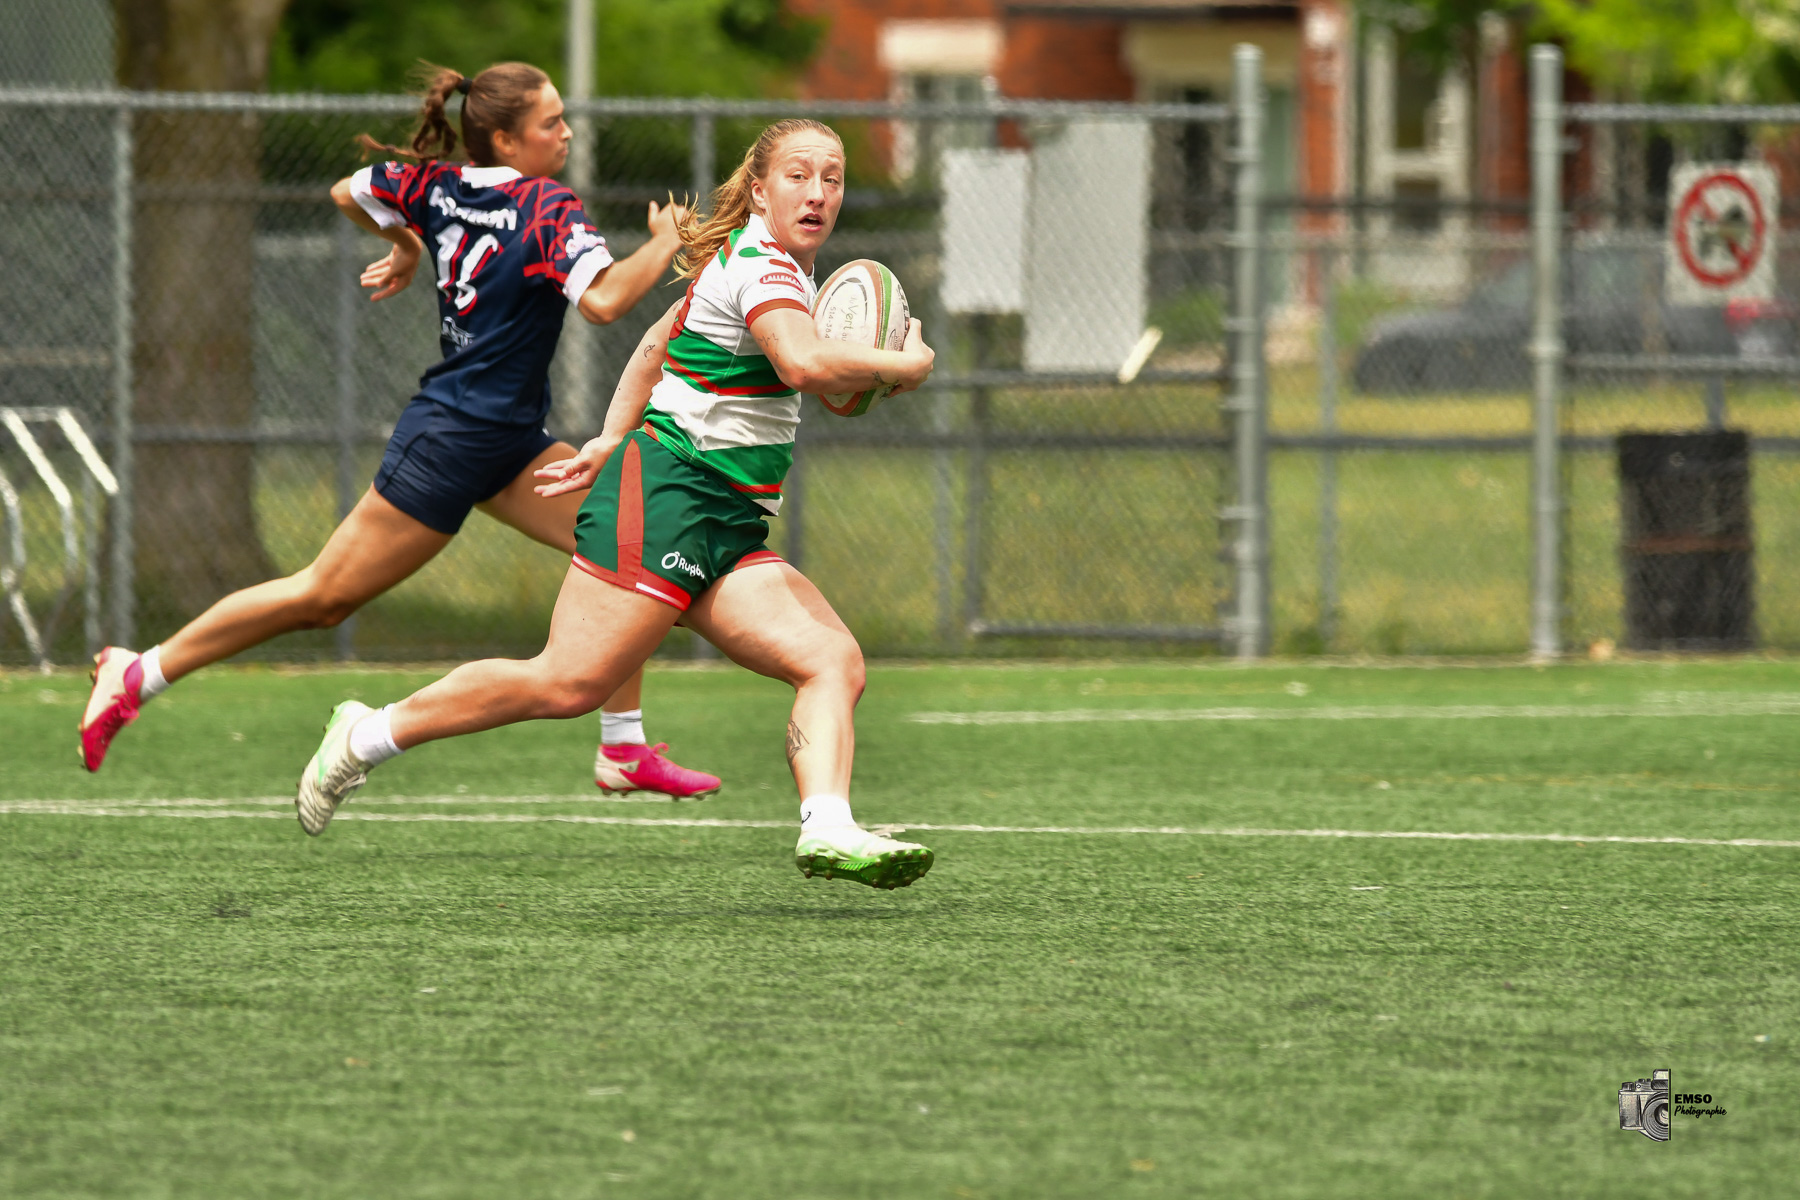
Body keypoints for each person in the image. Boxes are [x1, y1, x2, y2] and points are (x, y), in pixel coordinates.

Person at [294, 118, 939, 890]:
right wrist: (906, 363)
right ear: (760, 188)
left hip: (722, 518)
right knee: (567, 683)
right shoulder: (764, 265)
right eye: (799, 175)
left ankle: (827, 829)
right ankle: (366, 733)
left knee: (830, 659)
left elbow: (655, 345)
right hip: (669, 494)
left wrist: (605, 436)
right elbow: (801, 363)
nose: (818, 192)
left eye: (832, 178)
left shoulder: (771, 268)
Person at [79, 62, 719, 802]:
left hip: (509, 441)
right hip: (449, 440)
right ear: (507, 141)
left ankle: (623, 748)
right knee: (322, 596)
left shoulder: (434, 186)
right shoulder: (546, 206)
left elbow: (347, 191)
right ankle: (140, 671)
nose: (567, 130)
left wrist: (409, 242)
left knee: (620, 540)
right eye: (551, 122)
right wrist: (666, 240)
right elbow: (604, 302)